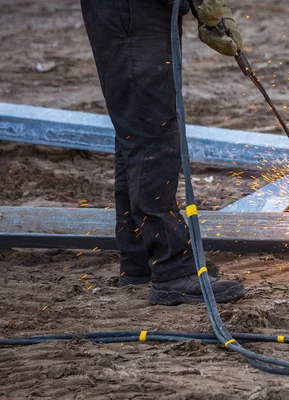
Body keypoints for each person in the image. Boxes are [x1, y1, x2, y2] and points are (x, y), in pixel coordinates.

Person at [80, 0, 245, 305]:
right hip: (132, 9)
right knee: (150, 129)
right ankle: (173, 270)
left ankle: (141, 259)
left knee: (136, 125)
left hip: (133, 10)